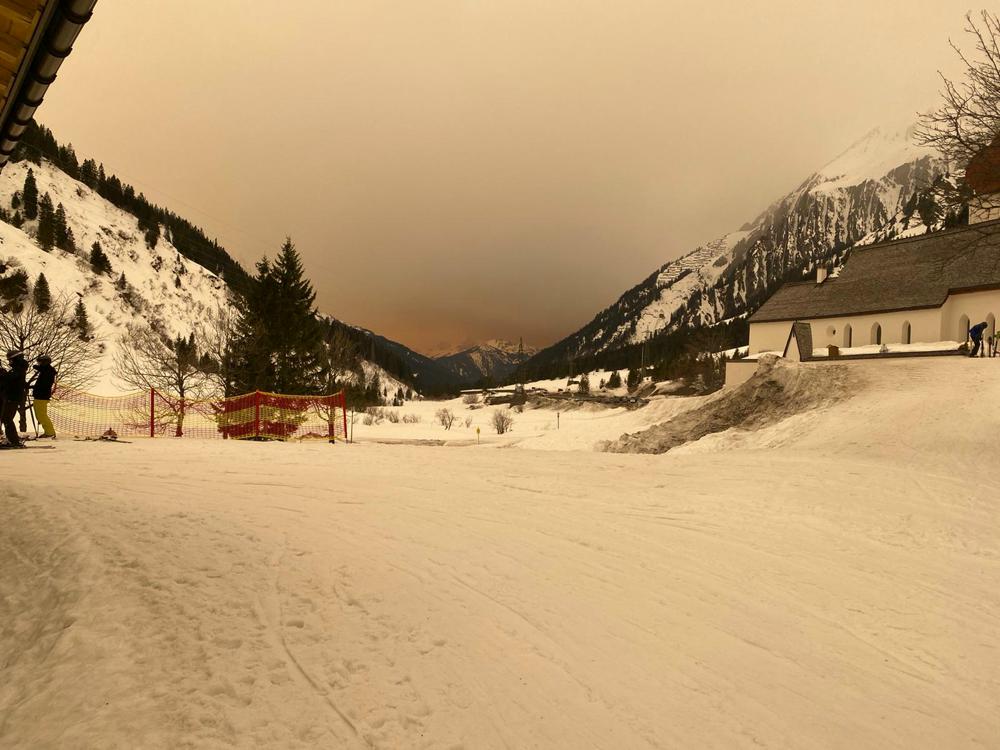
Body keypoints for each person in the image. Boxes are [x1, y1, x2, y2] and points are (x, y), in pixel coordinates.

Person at [1, 349, 28, 447]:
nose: (9, 362)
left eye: (10, 360)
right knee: (6, 418)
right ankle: (13, 439)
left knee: (7, 418)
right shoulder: (18, 368)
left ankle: (14, 441)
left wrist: (3, 374)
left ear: (16, 359)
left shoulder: (19, 368)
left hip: (13, 396)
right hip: (12, 395)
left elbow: (10, 379)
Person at [31, 354, 57, 438]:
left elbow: (44, 384)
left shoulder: (48, 371)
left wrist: (35, 387)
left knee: (41, 415)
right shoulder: (46, 371)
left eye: (40, 362)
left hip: (41, 396)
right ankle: (48, 432)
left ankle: (50, 432)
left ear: (45, 362)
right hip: (40, 396)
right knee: (40, 415)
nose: (39, 364)